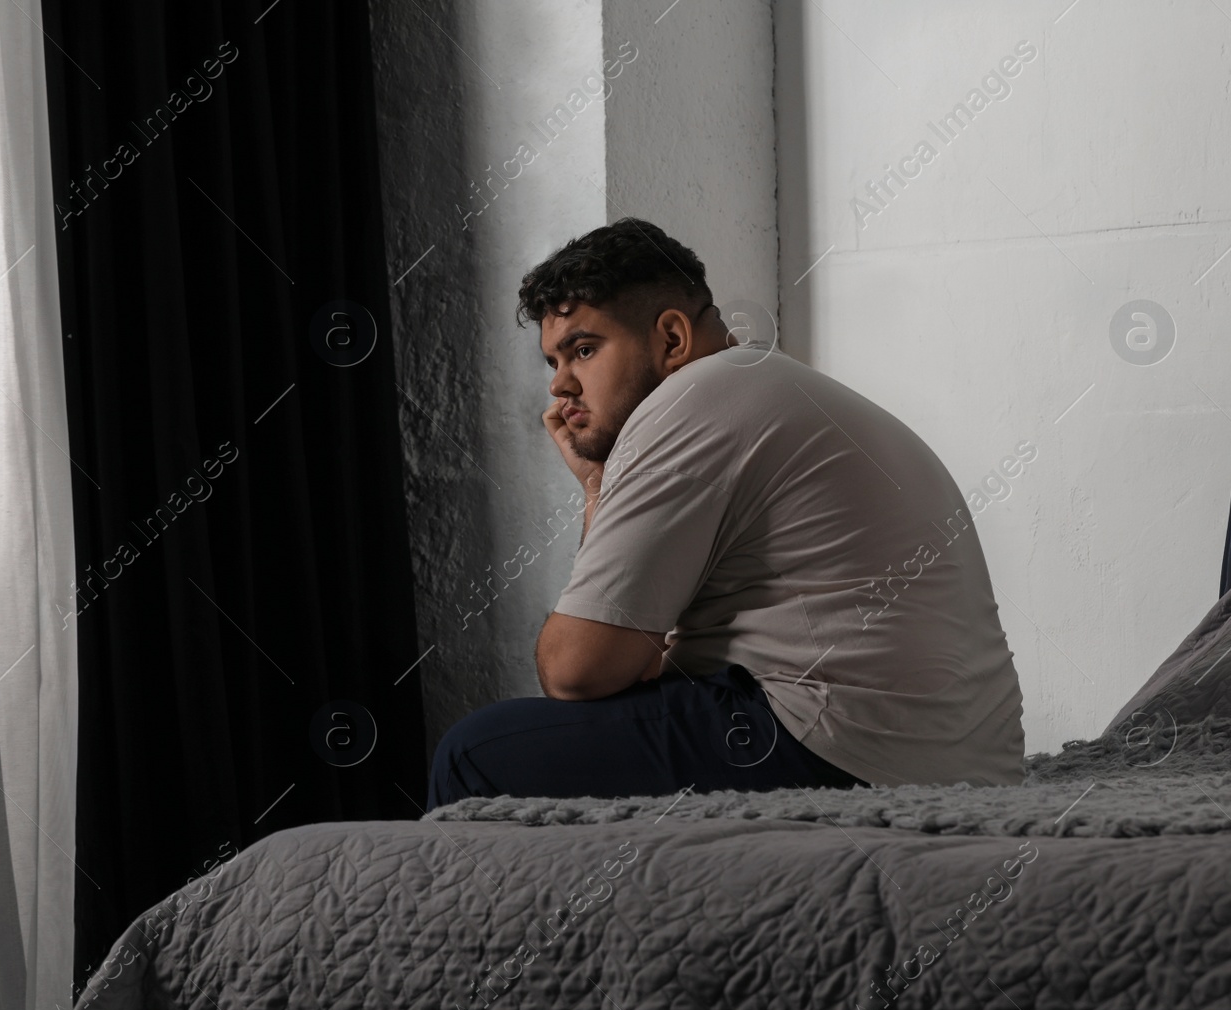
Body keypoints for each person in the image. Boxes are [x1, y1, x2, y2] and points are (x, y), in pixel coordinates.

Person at [427, 217, 1025, 808]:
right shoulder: (759, 385)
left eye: (583, 350)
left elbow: (578, 672)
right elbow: (630, 660)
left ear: (671, 340)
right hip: (954, 753)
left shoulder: (691, 401)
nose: (561, 387)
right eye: (552, 364)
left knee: (474, 753)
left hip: (844, 744)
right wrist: (597, 492)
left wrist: (597, 504)